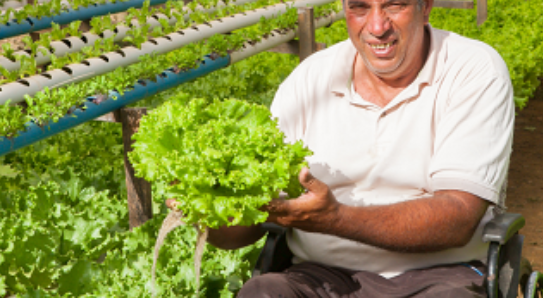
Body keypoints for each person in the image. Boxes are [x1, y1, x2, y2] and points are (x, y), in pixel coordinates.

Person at [178, 0, 514, 295]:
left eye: (394, 5)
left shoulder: (473, 71)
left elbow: (457, 217)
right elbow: (240, 231)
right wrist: (210, 205)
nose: (378, 26)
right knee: (262, 292)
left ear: (425, 7)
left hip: (440, 278)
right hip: (320, 277)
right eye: (360, 7)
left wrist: (335, 218)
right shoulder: (310, 80)